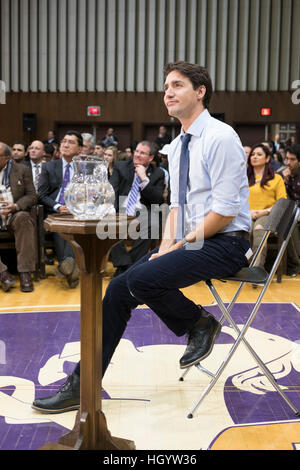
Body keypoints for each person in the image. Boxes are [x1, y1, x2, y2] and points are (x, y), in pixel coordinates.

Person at [31, 61, 251, 414]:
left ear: (200, 91)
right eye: (166, 86)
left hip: (227, 242)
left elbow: (224, 212)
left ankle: (199, 322)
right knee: (121, 287)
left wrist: (178, 246)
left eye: (177, 85)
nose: (168, 92)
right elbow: (176, 208)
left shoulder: (221, 137)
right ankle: (83, 384)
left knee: (136, 280)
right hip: (196, 240)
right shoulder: (178, 147)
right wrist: (164, 248)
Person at [108, 140, 165, 276]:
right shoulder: (121, 167)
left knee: (154, 223)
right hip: (121, 209)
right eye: (137, 151)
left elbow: (158, 200)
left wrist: (144, 179)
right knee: (107, 220)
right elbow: (111, 190)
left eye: (143, 153)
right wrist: (111, 209)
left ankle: (126, 268)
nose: (137, 155)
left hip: (143, 212)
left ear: (151, 158)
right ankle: (126, 265)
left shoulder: (158, 173)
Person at [38, 131, 82, 288]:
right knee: (61, 226)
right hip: (55, 211)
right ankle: (70, 269)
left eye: (71, 142)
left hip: (77, 212)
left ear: (80, 149)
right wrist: (57, 206)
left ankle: (66, 266)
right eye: (64, 141)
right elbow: (41, 194)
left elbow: (90, 194)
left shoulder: (84, 169)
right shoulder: (49, 167)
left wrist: (75, 207)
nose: (65, 144)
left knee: (73, 225)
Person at [0, 142, 37, 292]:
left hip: (13, 213)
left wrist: (15, 206)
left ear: (6, 158)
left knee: (23, 217)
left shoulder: (22, 170)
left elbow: (32, 196)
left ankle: (25, 273)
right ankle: (3, 274)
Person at [247, 143, 287, 269]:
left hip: (268, 214)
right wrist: (248, 212)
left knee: (258, 228)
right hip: (247, 214)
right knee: (245, 231)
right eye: (252, 154)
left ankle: (257, 268)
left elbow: (282, 203)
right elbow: (236, 200)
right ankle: (245, 265)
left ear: (268, 158)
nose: (254, 157)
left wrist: (262, 212)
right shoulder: (243, 178)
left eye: (259, 154)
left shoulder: (276, 178)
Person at [278, 144, 300, 276]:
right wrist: (284, 181)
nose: (288, 163)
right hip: (291, 212)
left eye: (292, 160)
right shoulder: (281, 174)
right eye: (286, 159)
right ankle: (296, 263)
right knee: (289, 224)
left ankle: (296, 264)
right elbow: (282, 198)